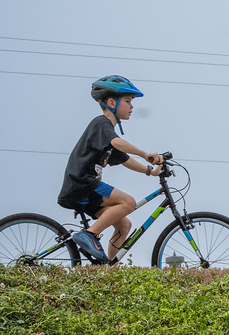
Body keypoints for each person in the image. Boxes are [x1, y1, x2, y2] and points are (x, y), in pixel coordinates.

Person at [57, 75, 164, 264]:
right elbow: (117, 143)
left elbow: (125, 160)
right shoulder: (101, 124)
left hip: (86, 189)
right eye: (128, 101)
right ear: (111, 102)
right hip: (83, 183)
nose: (132, 107)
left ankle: (107, 268)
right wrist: (144, 153)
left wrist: (150, 171)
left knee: (124, 224)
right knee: (128, 202)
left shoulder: (106, 135)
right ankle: (89, 235)